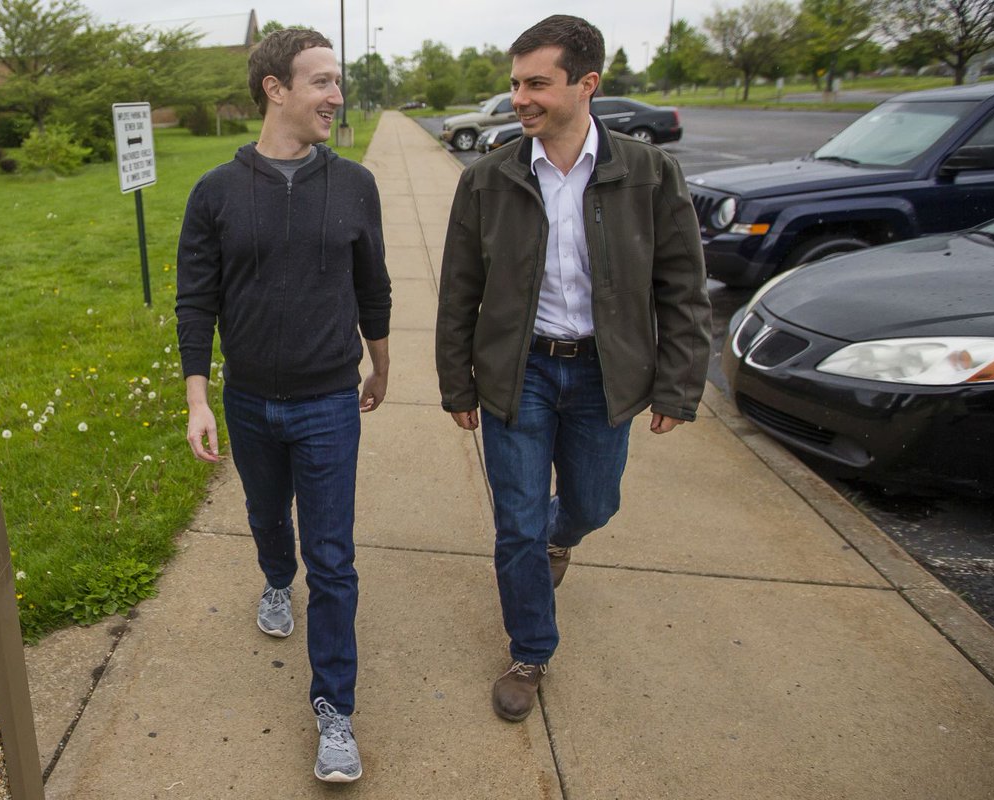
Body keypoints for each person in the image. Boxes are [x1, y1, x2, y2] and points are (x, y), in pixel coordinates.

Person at [435, 14, 711, 723]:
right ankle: (530, 650)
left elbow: (682, 287)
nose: (519, 98)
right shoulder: (489, 179)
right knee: (517, 524)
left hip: (602, 374)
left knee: (593, 505)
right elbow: (459, 290)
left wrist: (679, 385)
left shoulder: (649, 173)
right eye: (515, 84)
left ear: (586, 84)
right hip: (519, 372)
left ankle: (563, 538)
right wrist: (457, 382)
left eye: (536, 84)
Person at [175, 28, 391, 782]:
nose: (337, 95)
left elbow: (373, 286)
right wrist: (198, 398)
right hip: (249, 402)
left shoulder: (355, 184)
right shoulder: (216, 192)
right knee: (269, 518)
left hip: (329, 400)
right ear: (275, 89)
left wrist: (381, 364)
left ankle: (335, 711)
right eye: (322, 81)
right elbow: (196, 300)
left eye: (337, 81)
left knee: (332, 559)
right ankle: (274, 577)